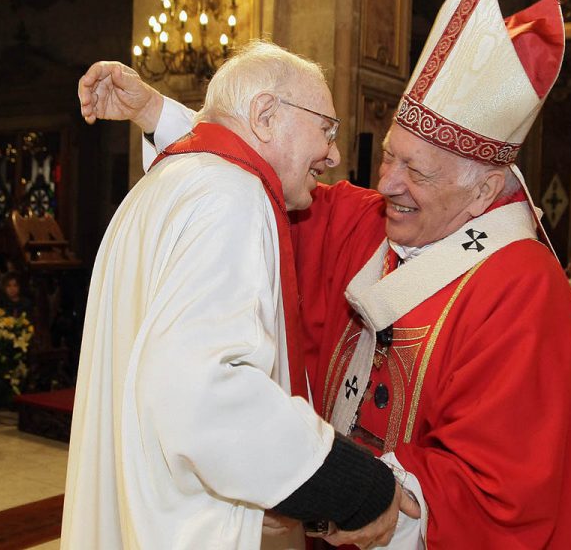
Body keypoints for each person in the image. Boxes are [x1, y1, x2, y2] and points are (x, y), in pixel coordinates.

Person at [88, 0, 571, 548]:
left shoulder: (523, 287)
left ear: (483, 193)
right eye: (390, 156)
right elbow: (257, 168)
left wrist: (350, 496)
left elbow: (509, 484)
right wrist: (158, 113)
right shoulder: (366, 223)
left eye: (415, 171)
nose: (387, 184)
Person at [66, 40, 418, 550]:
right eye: (327, 128)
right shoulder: (230, 196)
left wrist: (154, 110)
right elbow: (203, 392)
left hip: (143, 508)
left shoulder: (169, 183)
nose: (335, 154)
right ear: (266, 116)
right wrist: (355, 486)